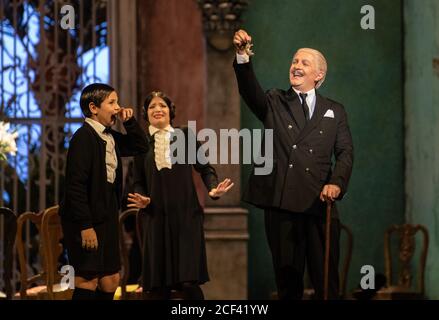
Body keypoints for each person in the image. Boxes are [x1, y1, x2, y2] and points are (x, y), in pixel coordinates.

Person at [232, 30, 354, 299]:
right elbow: (248, 89)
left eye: (304, 63)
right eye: (294, 61)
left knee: (326, 283)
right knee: (288, 283)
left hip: (320, 205)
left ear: (318, 75)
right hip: (282, 206)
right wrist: (242, 56)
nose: (296, 66)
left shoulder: (335, 110)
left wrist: (336, 183)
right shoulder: (275, 100)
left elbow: (345, 152)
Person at [127, 91, 234, 300]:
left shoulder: (184, 135)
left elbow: (205, 168)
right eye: (152, 107)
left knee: (188, 283)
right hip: (156, 218)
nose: (158, 110)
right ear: (146, 114)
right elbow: (138, 181)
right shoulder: (141, 144)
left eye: (162, 106)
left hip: (186, 217)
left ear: (170, 111)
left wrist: (212, 188)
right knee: (158, 287)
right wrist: (142, 197)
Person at [59, 83, 148, 300]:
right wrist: (85, 226)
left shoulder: (110, 136)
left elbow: (140, 146)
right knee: (87, 279)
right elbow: (75, 186)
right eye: (112, 102)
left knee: (111, 280)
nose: (117, 108)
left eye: (117, 102)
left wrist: (130, 122)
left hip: (106, 216)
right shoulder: (83, 137)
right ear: (93, 107)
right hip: (86, 220)